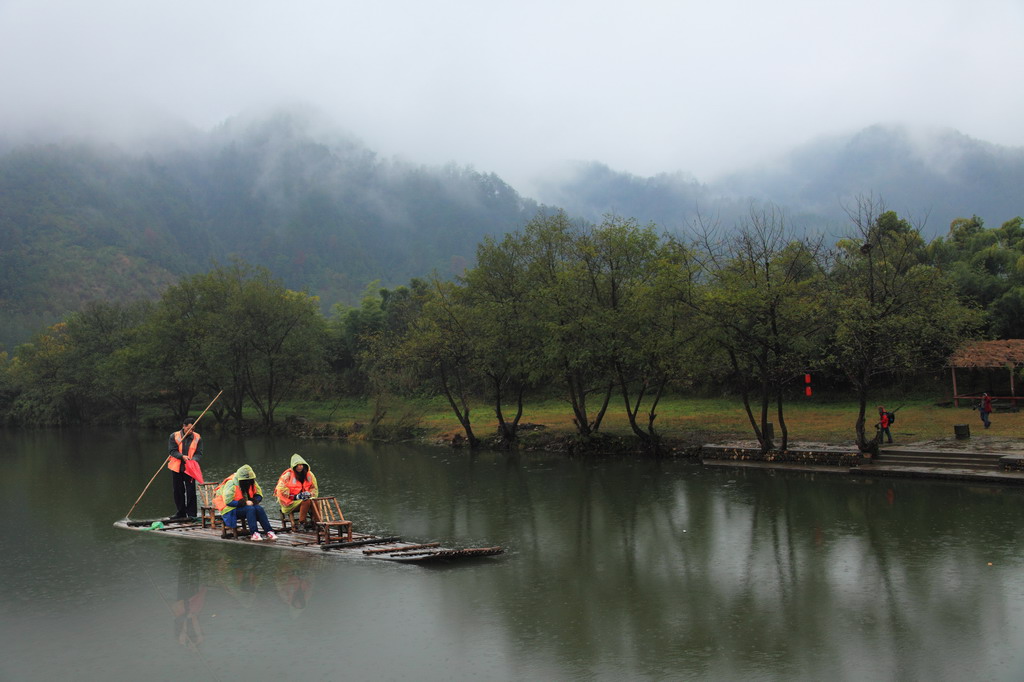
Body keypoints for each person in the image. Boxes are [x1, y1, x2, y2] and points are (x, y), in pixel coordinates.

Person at [213, 464, 277, 541]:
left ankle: (269, 531)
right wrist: (245, 503)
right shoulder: (231, 483)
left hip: (245, 506)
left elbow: (259, 494)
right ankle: (254, 533)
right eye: (246, 481)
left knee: (259, 508)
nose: (248, 482)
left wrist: (254, 501)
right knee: (250, 509)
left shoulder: (252, 482)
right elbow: (228, 502)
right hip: (229, 509)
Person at [168, 416, 203, 521]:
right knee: (178, 491)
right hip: (177, 467)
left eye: (193, 429)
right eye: (189, 429)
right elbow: (172, 451)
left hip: (190, 468)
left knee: (191, 491)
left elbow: (199, 453)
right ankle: (181, 512)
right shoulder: (174, 436)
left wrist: (193, 460)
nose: (191, 431)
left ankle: (192, 514)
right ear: (183, 427)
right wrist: (182, 457)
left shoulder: (197, 437)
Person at [275, 453, 319, 530]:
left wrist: (310, 494)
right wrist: (296, 496)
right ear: (294, 466)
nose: (300, 467)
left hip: (305, 499)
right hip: (290, 502)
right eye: (298, 465)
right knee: (306, 501)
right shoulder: (287, 476)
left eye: (301, 465)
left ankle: (318, 522)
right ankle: (301, 522)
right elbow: (280, 491)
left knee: (314, 501)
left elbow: (314, 488)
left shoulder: (309, 475)